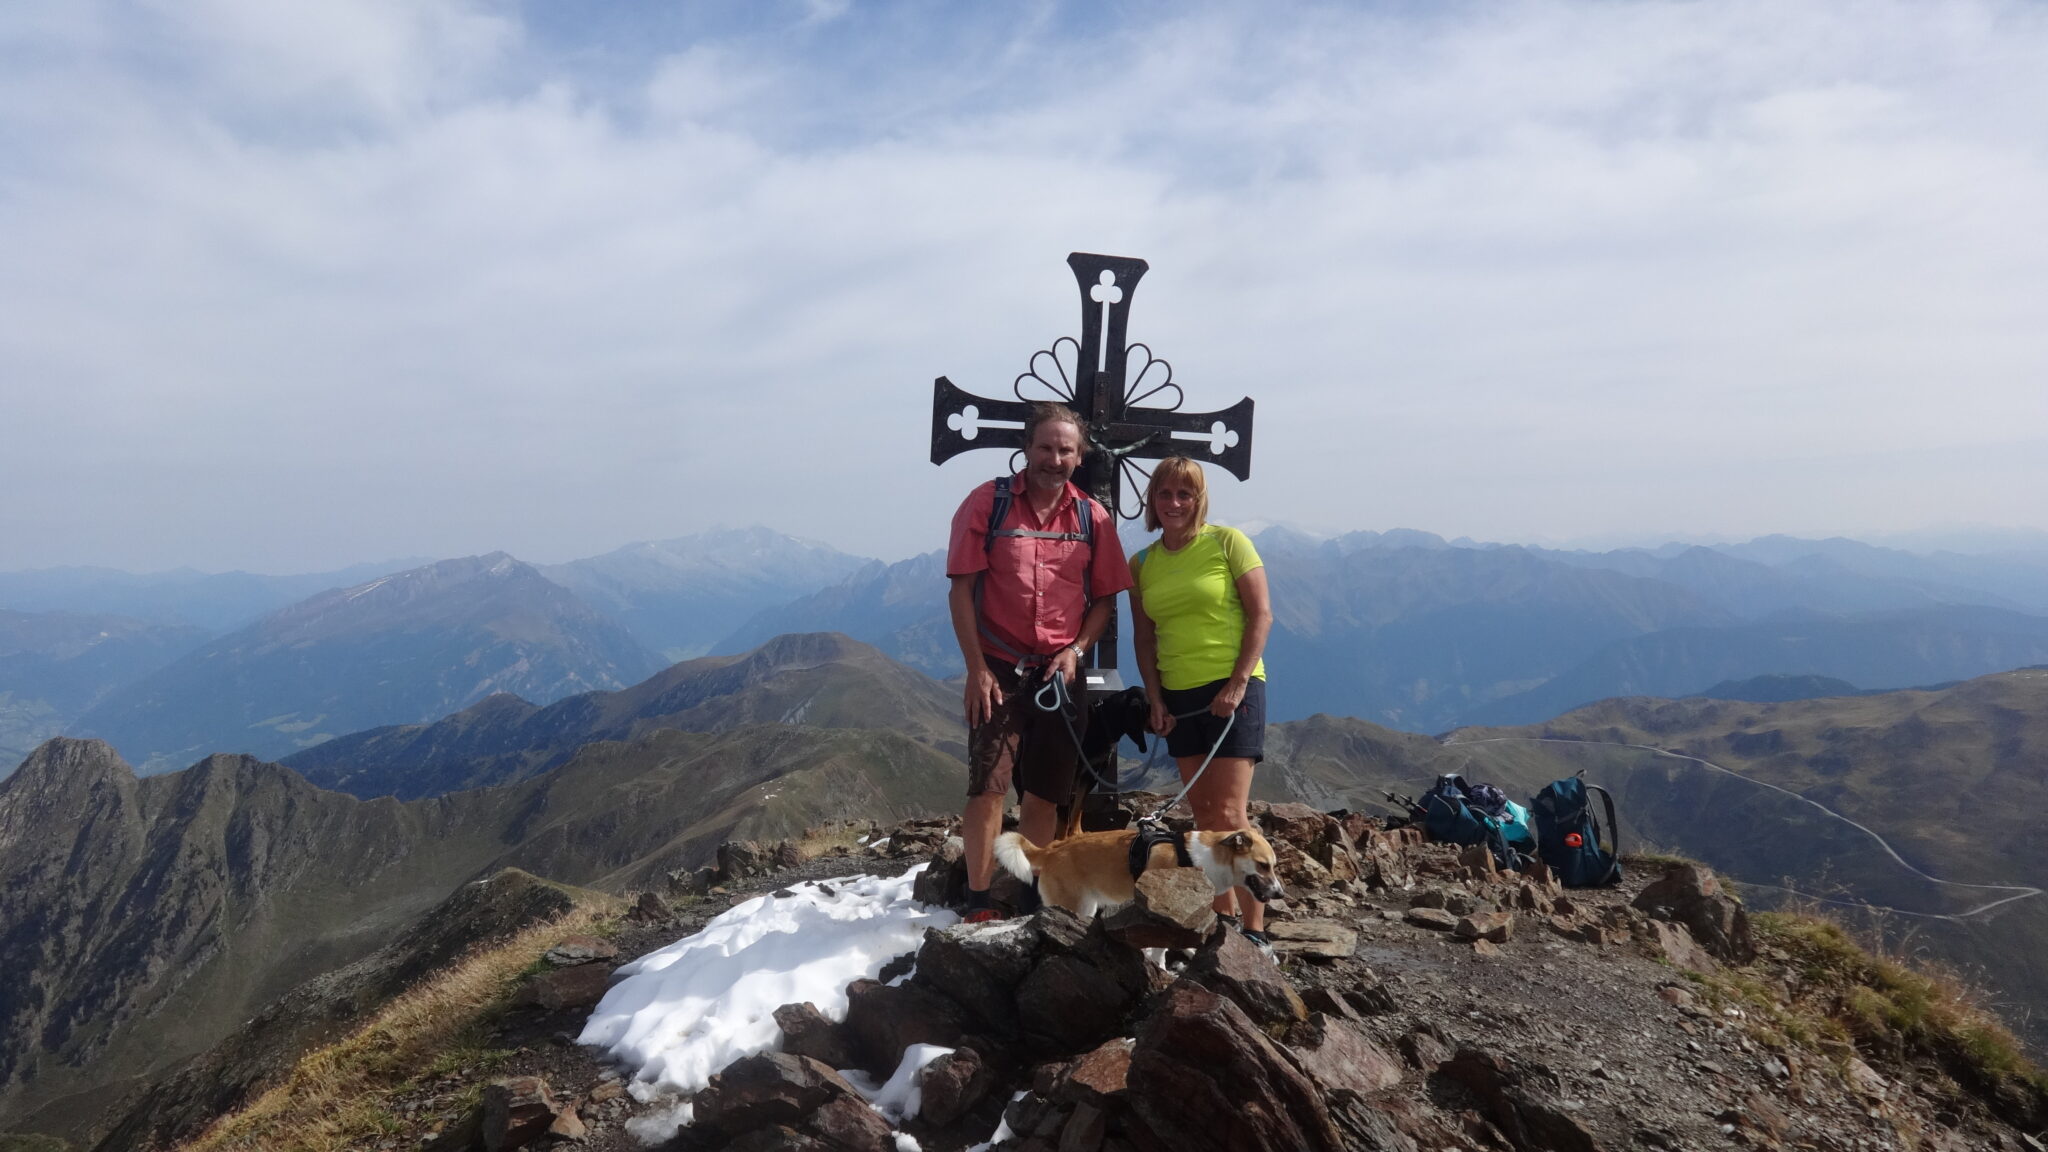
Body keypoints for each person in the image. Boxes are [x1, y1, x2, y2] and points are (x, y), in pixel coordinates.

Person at [946, 402, 1133, 923]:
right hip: (1000, 667)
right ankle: (980, 901)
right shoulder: (988, 504)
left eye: (1066, 449)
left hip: (1060, 671)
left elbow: (1104, 601)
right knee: (987, 787)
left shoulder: (1091, 517)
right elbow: (962, 591)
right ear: (1026, 448)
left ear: (1081, 455)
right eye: (1045, 447)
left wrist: (1074, 652)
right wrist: (977, 669)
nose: (1055, 458)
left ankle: (1033, 898)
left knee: (1046, 793)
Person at [1128, 455, 1274, 947]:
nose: (1174, 502)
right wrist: (1154, 698)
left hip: (1234, 690)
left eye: (1184, 494)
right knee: (1205, 819)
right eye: (1165, 493)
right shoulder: (1142, 563)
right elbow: (1143, 639)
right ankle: (1224, 925)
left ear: (1199, 499)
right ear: (1152, 499)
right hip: (1179, 696)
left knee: (1232, 816)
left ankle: (1255, 932)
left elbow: (1261, 616)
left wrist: (1235, 684)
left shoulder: (1228, 543)